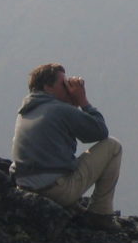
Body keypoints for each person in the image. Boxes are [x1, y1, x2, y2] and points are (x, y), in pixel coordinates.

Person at [10, 63, 123, 231]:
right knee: (113, 146)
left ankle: (76, 205)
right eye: (64, 84)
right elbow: (99, 131)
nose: (69, 88)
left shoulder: (26, 110)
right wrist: (83, 101)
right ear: (48, 87)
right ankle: (100, 214)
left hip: (25, 186)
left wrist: (70, 104)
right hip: (55, 191)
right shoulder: (60, 110)